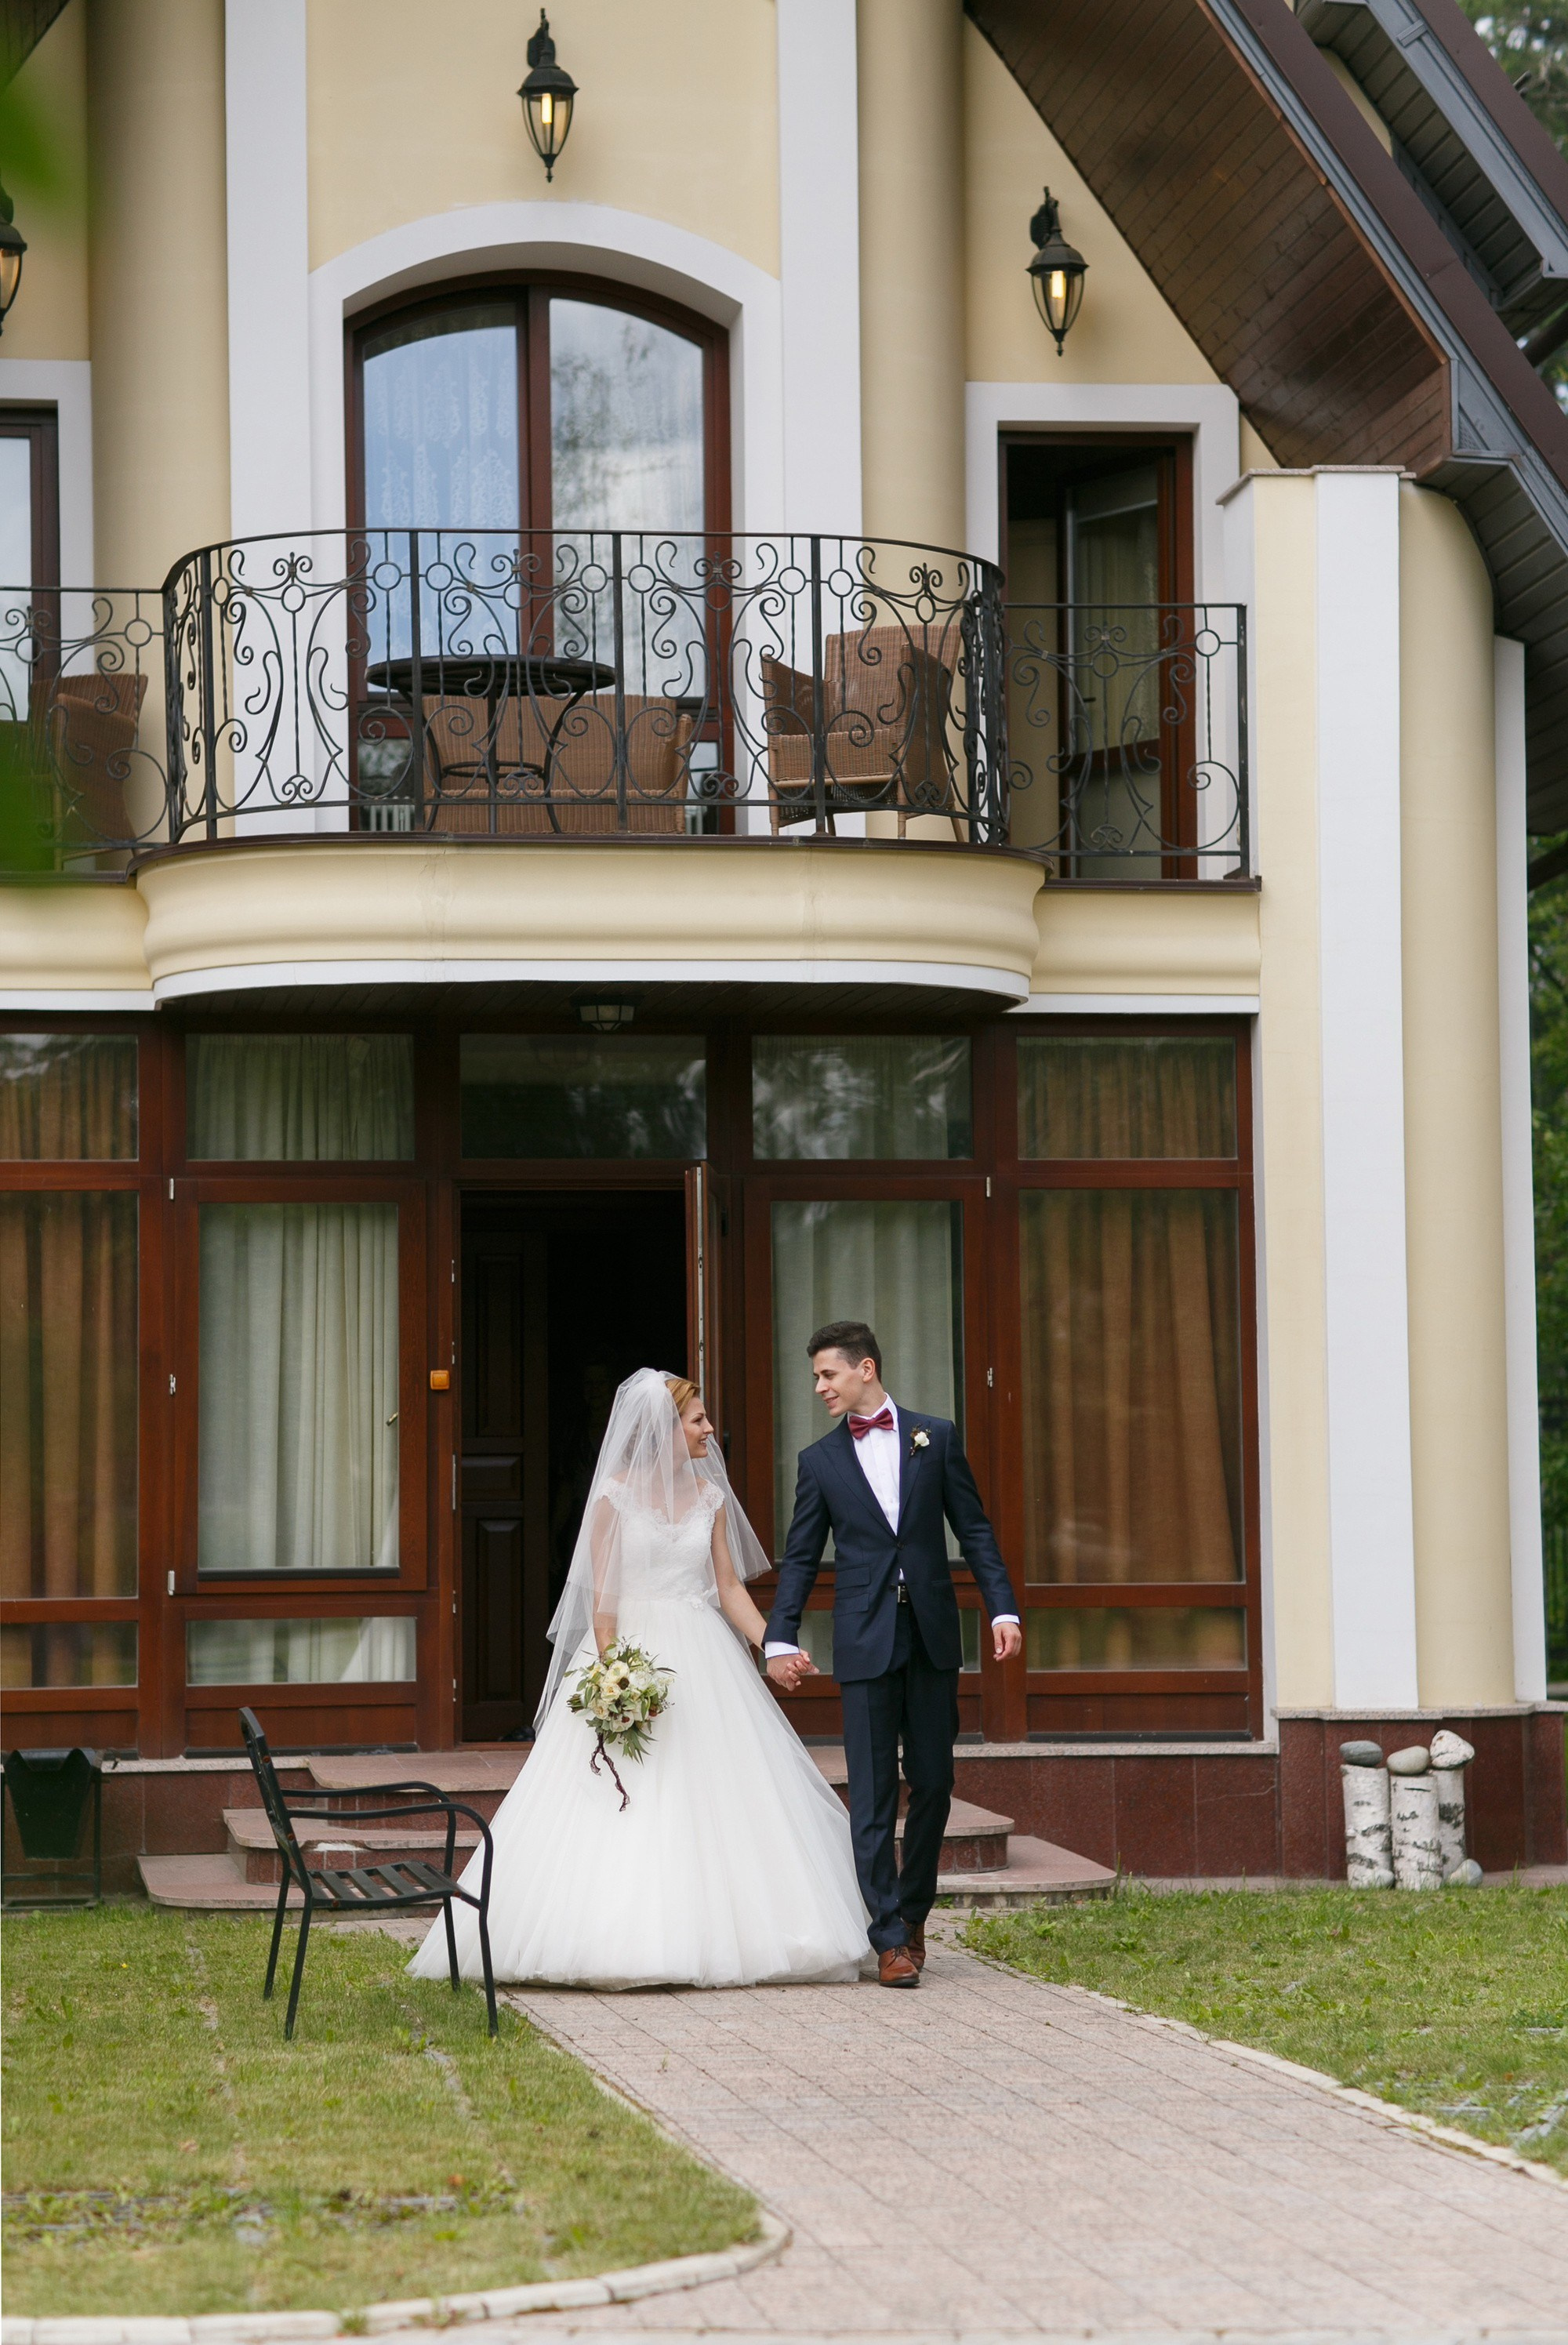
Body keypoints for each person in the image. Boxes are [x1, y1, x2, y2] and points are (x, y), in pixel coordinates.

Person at [409, 1367, 868, 1989]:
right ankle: (610, 1936)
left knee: (720, 1795)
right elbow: (603, 1602)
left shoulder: (708, 1497)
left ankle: (732, 1934)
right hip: (631, 1653)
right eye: (698, 1419)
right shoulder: (614, 1497)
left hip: (703, 1654)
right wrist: (616, 1675)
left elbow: (729, 1587)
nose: (709, 1428)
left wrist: (773, 1643)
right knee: (622, 1796)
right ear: (665, 1428)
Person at [764, 1320, 1022, 1988]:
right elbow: (799, 1559)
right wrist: (780, 1635)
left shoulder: (934, 1438)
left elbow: (974, 1528)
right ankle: (887, 1938)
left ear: (866, 1368)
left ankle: (913, 1910)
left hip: (932, 1636)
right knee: (874, 1793)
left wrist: (1003, 1606)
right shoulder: (818, 1462)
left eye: (828, 1373)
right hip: (863, 1637)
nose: (819, 1386)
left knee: (934, 1781)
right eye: (816, 1376)